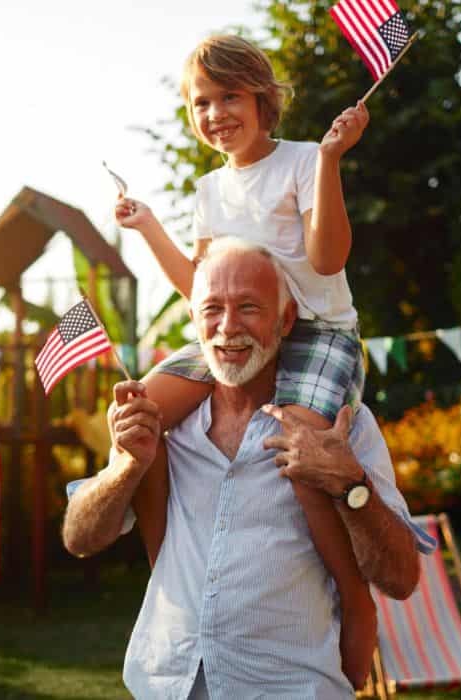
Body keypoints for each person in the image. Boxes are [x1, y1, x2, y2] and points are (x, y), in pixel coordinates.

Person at [63, 240, 436, 699]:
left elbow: (401, 579)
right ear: (194, 321)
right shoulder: (160, 429)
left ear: (285, 320)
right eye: (212, 308)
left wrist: (349, 484)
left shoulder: (343, 428)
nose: (228, 327)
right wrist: (125, 468)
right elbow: (80, 538)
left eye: (248, 307)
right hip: (166, 687)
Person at [114, 34, 374, 681]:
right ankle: (173, 579)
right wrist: (148, 225)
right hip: (236, 334)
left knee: (303, 454)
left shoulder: (303, 161)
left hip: (314, 334)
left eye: (228, 96)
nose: (214, 114)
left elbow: (327, 260)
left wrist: (334, 160)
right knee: (141, 413)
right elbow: (197, 287)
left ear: (263, 99)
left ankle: (355, 597)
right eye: (201, 103)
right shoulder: (208, 190)